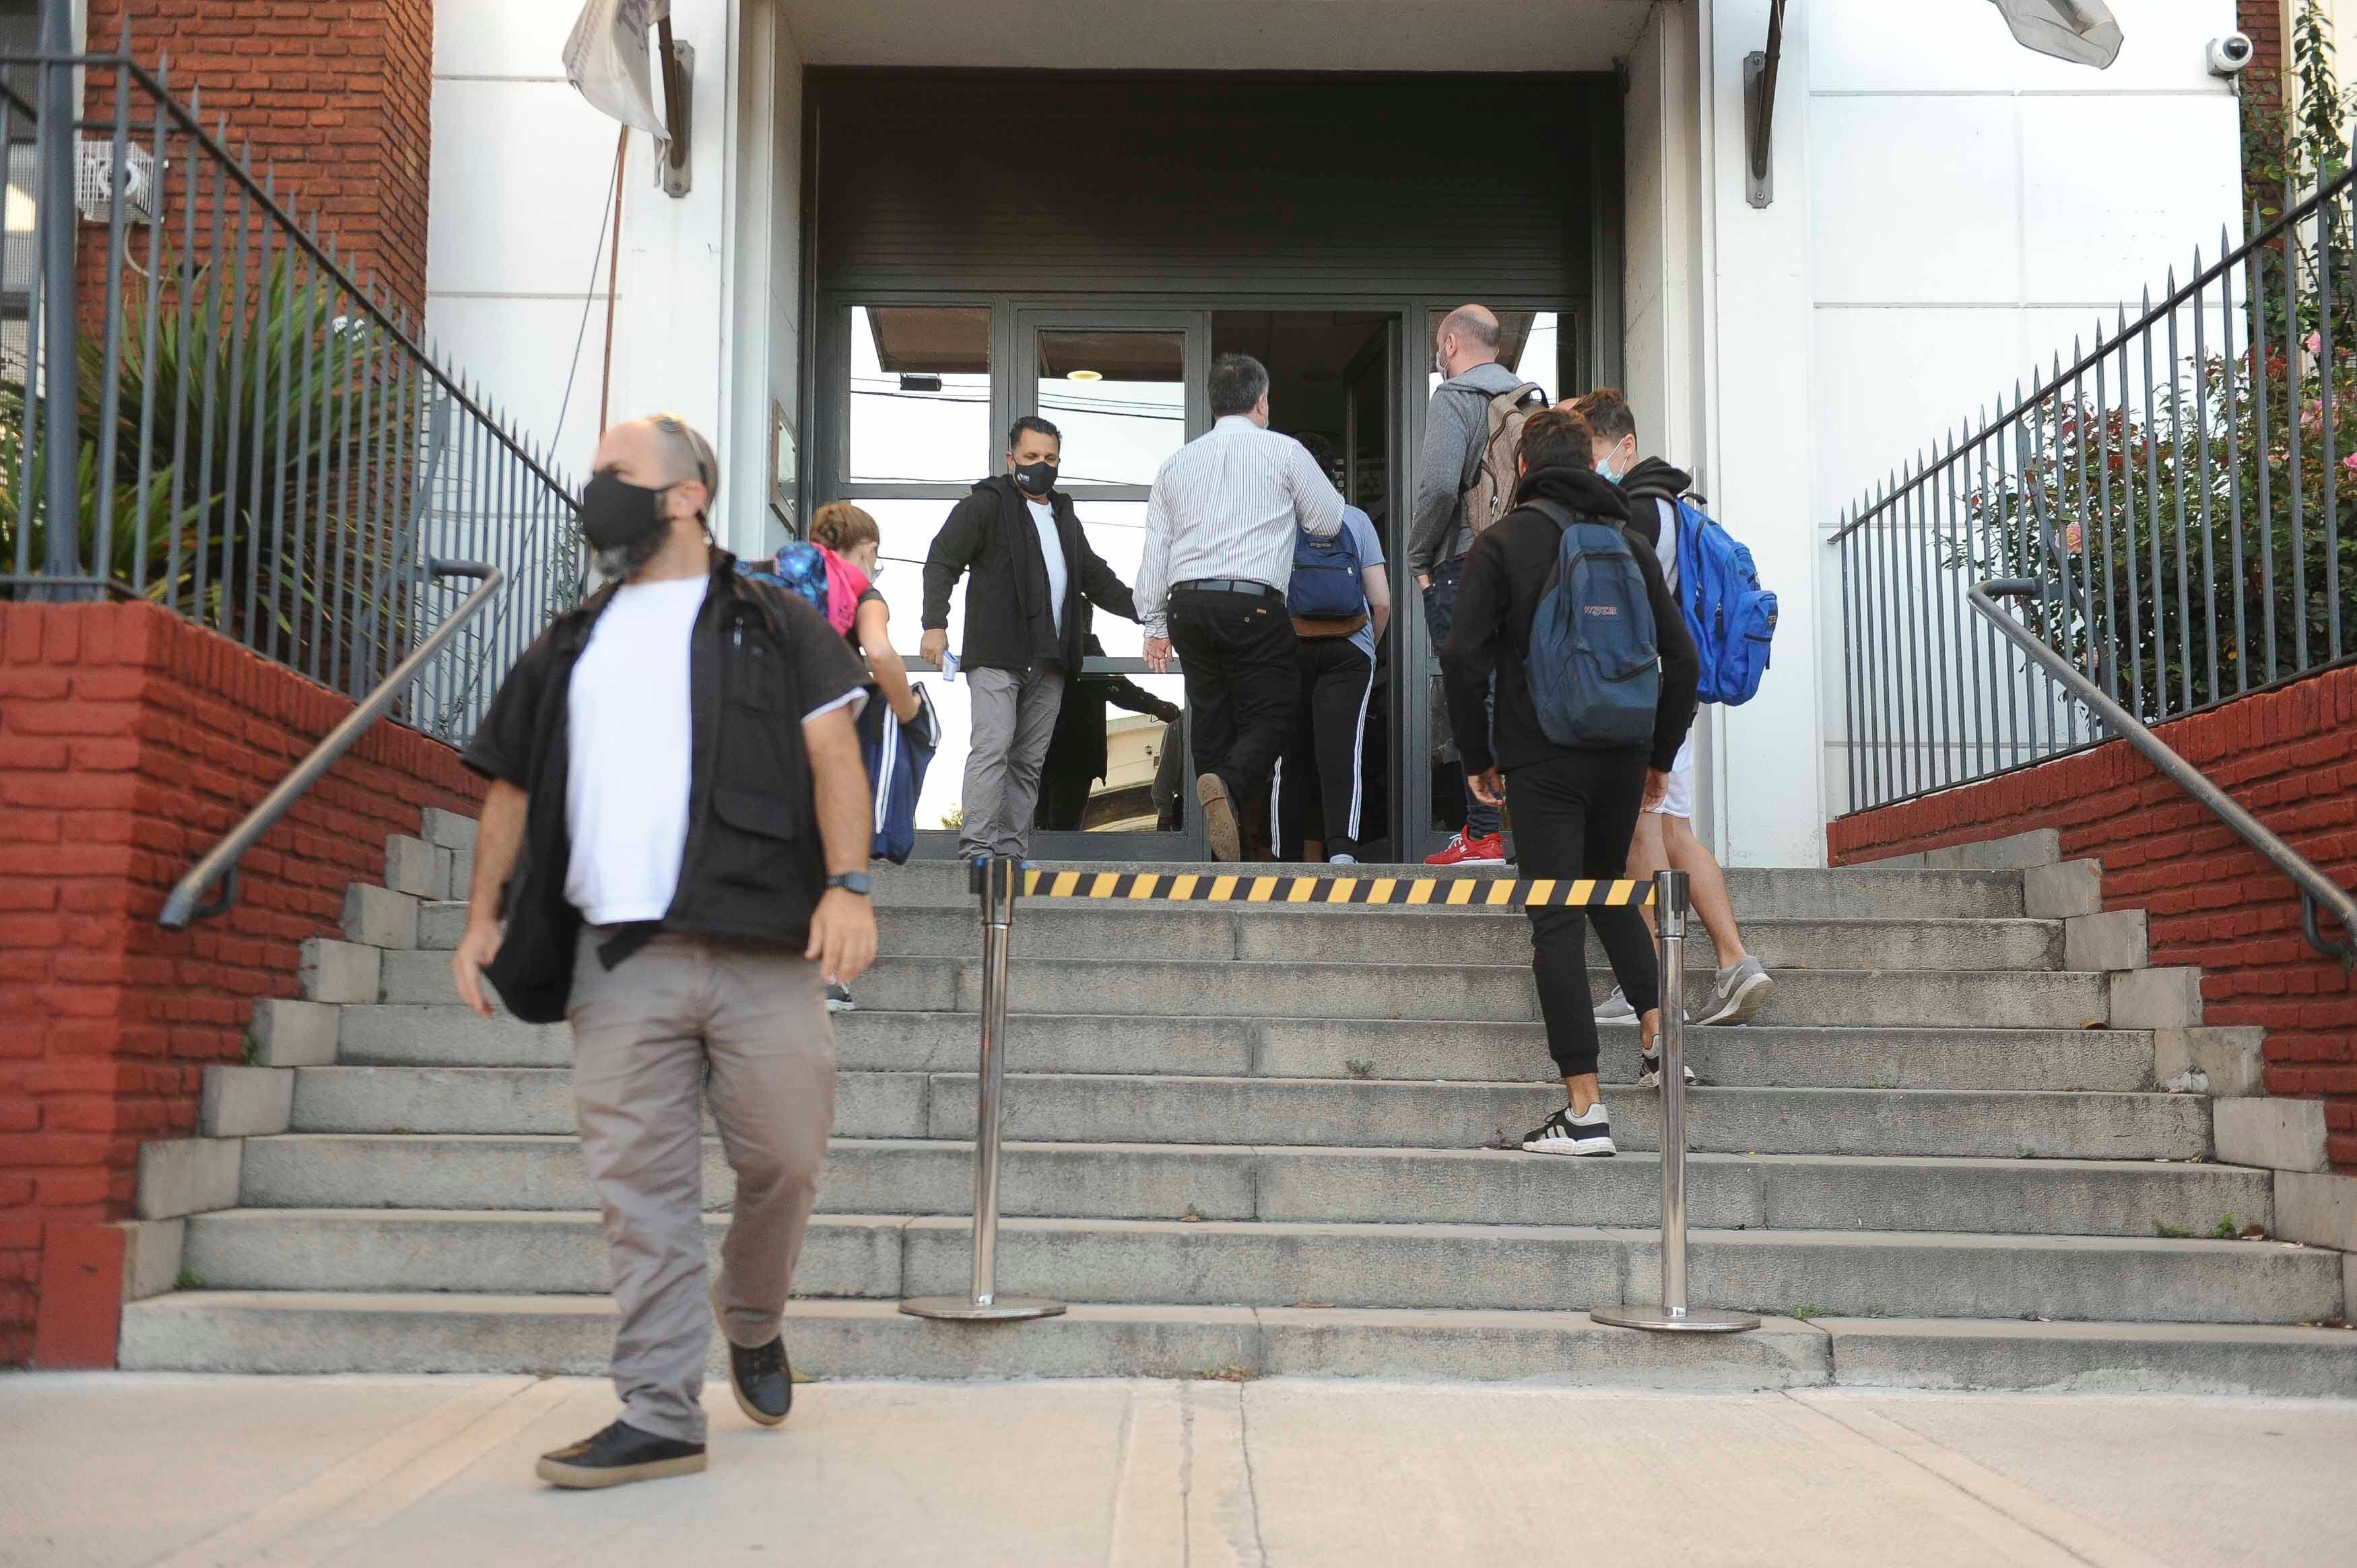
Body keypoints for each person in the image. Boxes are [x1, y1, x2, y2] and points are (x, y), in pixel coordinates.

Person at [450, 414, 877, 1489]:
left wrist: (849, 884)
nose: (597, 491)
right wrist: (482, 916)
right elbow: (507, 785)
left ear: (687, 495)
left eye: (618, 474)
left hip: (762, 947)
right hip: (618, 955)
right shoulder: (570, 639)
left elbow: (834, 753)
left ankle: (754, 1316)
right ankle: (657, 1408)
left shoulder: (776, 623)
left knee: (784, 1158)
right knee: (639, 1191)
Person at [1440, 407, 1699, 1157]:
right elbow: (1679, 659)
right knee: (1607, 884)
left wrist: (1476, 756)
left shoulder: (1503, 542)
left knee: (1555, 916)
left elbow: (1462, 657)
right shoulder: (1629, 542)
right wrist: (1657, 755)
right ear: (1590, 465)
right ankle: (1658, 1040)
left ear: (1522, 468)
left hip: (1540, 755)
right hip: (1621, 752)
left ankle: (1584, 1109)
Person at [1569, 388, 1774, 1031]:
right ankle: (1736, 962)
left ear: (1626, 445)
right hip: (1671, 700)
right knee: (1676, 833)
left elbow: (1628, 613)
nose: (1588, 466)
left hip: (1646, 699)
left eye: (1593, 452)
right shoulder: (1671, 507)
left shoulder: (1637, 511)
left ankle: (1653, 988)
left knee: (1640, 835)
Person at [1136, 353, 1343, 860]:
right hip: (1253, 603)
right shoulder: (1284, 452)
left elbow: (1155, 552)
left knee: (1210, 719)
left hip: (1187, 605)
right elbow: (1329, 521)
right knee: (1273, 714)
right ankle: (1226, 787)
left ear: (1213, 404)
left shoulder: (1177, 463)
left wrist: (1154, 623)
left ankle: (1226, 853)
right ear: (1262, 401)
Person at [921, 416, 1138, 861]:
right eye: (1032, 456)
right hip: (998, 654)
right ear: (1011, 458)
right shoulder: (986, 505)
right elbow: (942, 559)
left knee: (1028, 762)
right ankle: (977, 847)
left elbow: (1097, 578)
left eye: (1051, 458)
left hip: (1051, 661)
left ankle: (1011, 851)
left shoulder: (1063, 516)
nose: (1042, 465)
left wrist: (1151, 614)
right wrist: (934, 623)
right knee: (993, 747)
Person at [1410, 304, 1549, 866]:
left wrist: (1420, 556)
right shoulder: (1529, 402)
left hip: (1466, 562)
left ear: (1449, 344)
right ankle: (1527, 829)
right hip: (1524, 563)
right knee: (1516, 694)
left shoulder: (1455, 399)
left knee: (1472, 694)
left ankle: (1484, 833)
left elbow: (1440, 486)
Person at [807, 501, 929, 1013]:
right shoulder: (862, 590)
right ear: (867, 549)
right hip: (827, 726)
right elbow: (879, 654)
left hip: (761, 719)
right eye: (874, 558)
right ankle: (828, 977)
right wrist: (908, 709)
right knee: (831, 837)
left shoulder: (786, 574)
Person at [1275, 433, 1391, 864]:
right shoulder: (1355, 519)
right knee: (1343, 749)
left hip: (1292, 645)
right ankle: (1342, 852)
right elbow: (1381, 600)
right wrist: (1367, 647)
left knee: (1290, 754)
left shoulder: (1279, 521)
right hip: (1349, 649)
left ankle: (1283, 855)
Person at [1034, 627, 1181, 831]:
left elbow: (1110, 684)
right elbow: (1112, 684)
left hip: (1038, 752)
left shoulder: (1034, 642)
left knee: (1038, 831)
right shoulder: (1081, 644)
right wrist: (1154, 705)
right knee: (1061, 833)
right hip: (1071, 754)